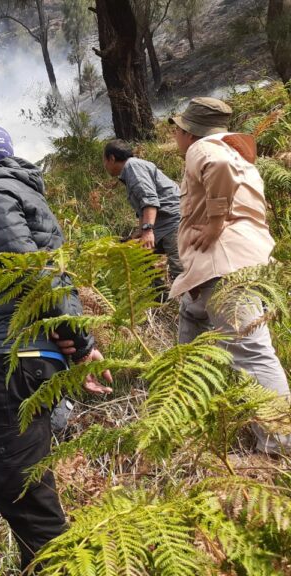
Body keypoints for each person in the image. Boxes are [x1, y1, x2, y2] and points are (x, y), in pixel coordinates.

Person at [0, 123, 113, 574]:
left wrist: (80, 343)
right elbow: (54, 271)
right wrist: (74, 338)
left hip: (12, 358)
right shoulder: (24, 191)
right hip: (18, 355)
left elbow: (30, 266)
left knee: (22, 490)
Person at [169, 97, 291, 456]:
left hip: (225, 268)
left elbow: (217, 166)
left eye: (177, 128)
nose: (175, 134)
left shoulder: (206, 149)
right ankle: (180, 419)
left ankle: (278, 447)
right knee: (189, 341)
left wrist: (216, 221)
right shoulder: (237, 153)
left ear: (189, 132)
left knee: (253, 355)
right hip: (239, 265)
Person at [102, 139, 183, 283]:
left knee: (180, 269)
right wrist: (139, 233)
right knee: (138, 256)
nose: (105, 166)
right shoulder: (131, 170)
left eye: (105, 161)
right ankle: (160, 297)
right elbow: (142, 208)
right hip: (161, 224)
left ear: (112, 158)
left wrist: (147, 231)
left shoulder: (133, 167)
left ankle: (194, 302)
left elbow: (150, 200)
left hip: (173, 222)